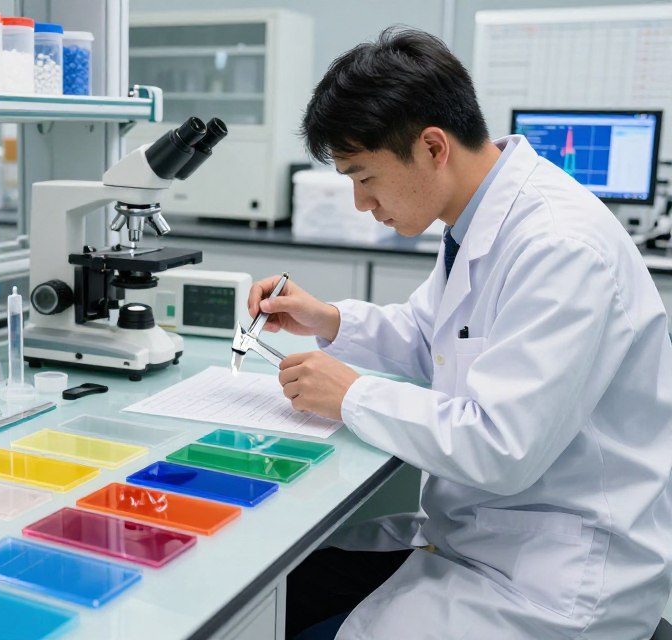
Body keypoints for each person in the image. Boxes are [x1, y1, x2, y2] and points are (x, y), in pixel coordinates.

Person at [250, 27, 672, 639]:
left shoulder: (560, 246)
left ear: (431, 147)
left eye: (364, 177)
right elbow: (437, 339)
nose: (361, 202)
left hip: (560, 572)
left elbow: (501, 447)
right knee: (288, 586)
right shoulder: (476, 219)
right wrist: (330, 319)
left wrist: (352, 395)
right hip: (489, 533)